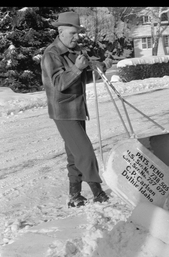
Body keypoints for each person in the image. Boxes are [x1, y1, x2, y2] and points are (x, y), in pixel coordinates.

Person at [41, 11, 111, 208]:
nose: (76, 37)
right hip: (63, 111)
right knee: (84, 151)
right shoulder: (51, 54)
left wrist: (100, 68)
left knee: (74, 154)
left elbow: (83, 78)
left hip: (78, 108)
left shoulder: (75, 52)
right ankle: (98, 192)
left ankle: (75, 196)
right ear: (61, 31)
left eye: (78, 33)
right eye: (72, 33)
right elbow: (59, 83)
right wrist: (78, 69)